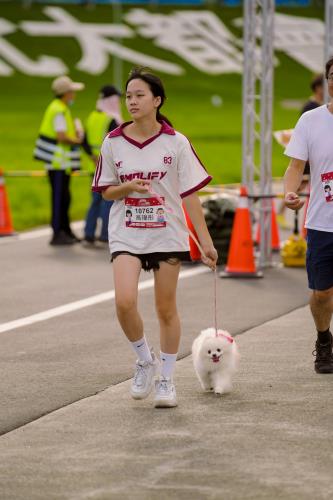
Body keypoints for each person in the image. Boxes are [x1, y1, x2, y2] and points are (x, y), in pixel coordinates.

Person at [92, 67, 218, 407]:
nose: (132, 101)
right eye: (129, 96)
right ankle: (144, 360)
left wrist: (205, 242)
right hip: (127, 232)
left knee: (165, 308)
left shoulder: (176, 142)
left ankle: (166, 378)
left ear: (157, 100)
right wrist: (127, 188)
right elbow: (105, 192)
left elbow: (191, 195)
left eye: (139, 95)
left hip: (167, 234)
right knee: (124, 301)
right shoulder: (113, 141)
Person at [283, 58, 333, 374]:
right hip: (322, 223)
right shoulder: (311, 121)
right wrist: (290, 192)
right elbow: (295, 166)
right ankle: (324, 339)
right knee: (321, 293)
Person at [34, 75, 85, 245]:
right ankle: (57, 233)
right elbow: (61, 136)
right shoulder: (58, 110)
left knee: (65, 197)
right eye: (72, 92)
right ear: (66, 93)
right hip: (57, 164)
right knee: (59, 199)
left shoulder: (60, 108)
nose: (74, 95)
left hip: (62, 164)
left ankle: (66, 230)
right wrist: (78, 140)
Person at [277, 74, 324, 229]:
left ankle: (281, 210)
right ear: (318, 87)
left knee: (305, 184)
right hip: (311, 154)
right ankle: (281, 210)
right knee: (301, 182)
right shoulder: (310, 108)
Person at [82, 85, 123, 247]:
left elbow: (84, 141)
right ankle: (105, 235)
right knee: (108, 201)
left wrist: (92, 157)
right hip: (108, 167)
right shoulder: (111, 119)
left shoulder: (92, 116)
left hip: (93, 167)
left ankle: (88, 233)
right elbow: (115, 144)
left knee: (94, 201)